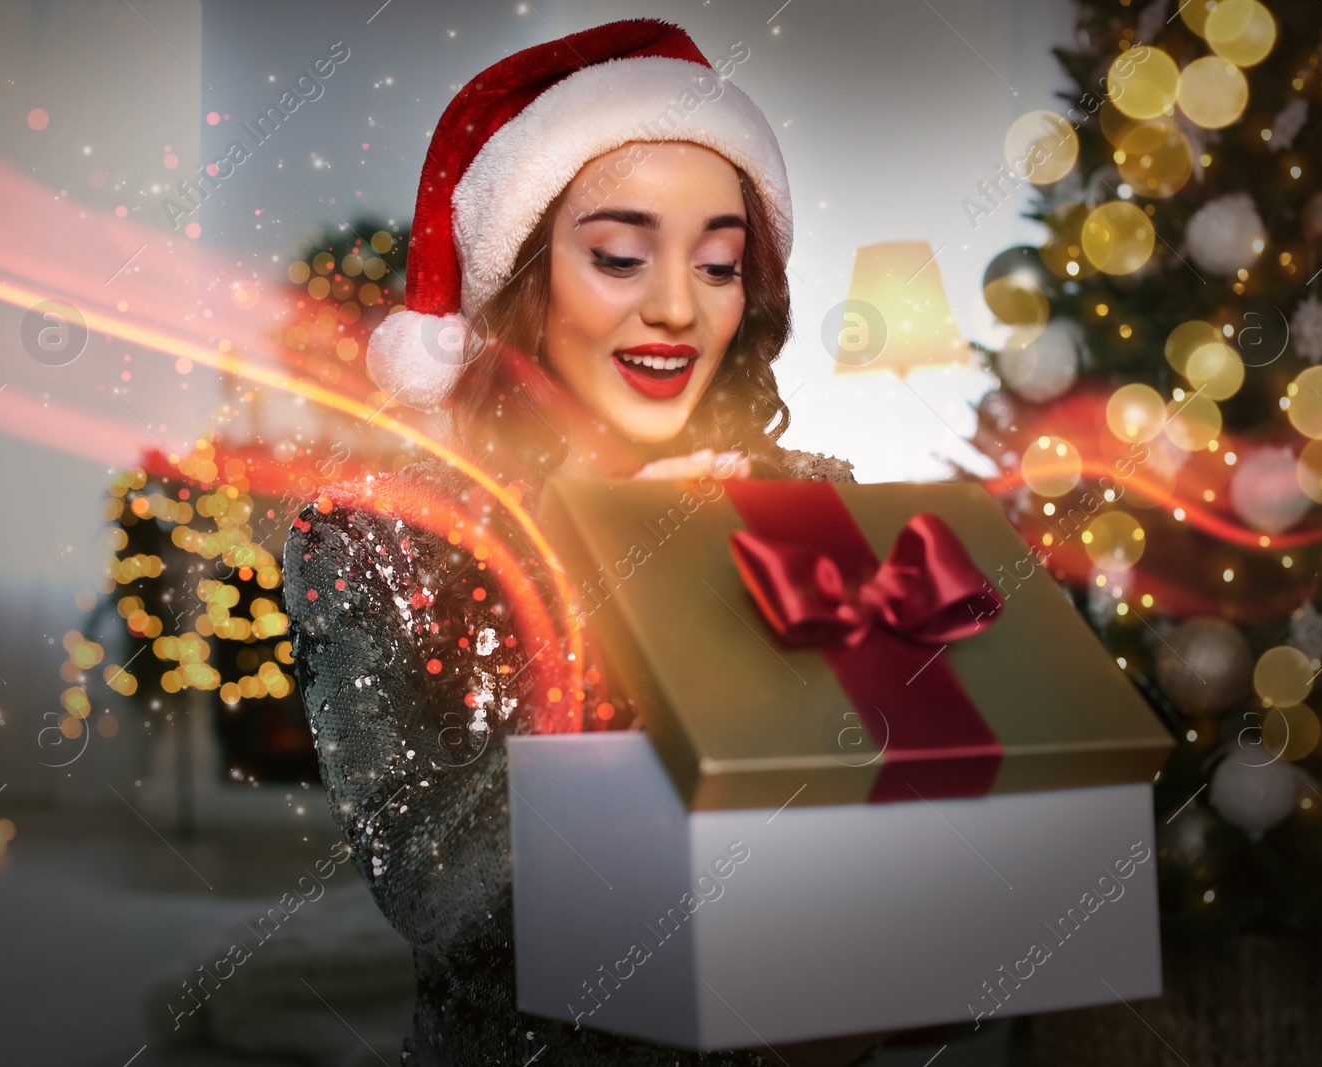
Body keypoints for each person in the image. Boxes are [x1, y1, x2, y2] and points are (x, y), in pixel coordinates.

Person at [283, 19, 879, 1066]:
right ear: (525, 274)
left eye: (719, 263)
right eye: (617, 255)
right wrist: (627, 597)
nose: (674, 307)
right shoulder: (384, 536)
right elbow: (441, 892)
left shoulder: (817, 506)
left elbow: (926, 831)